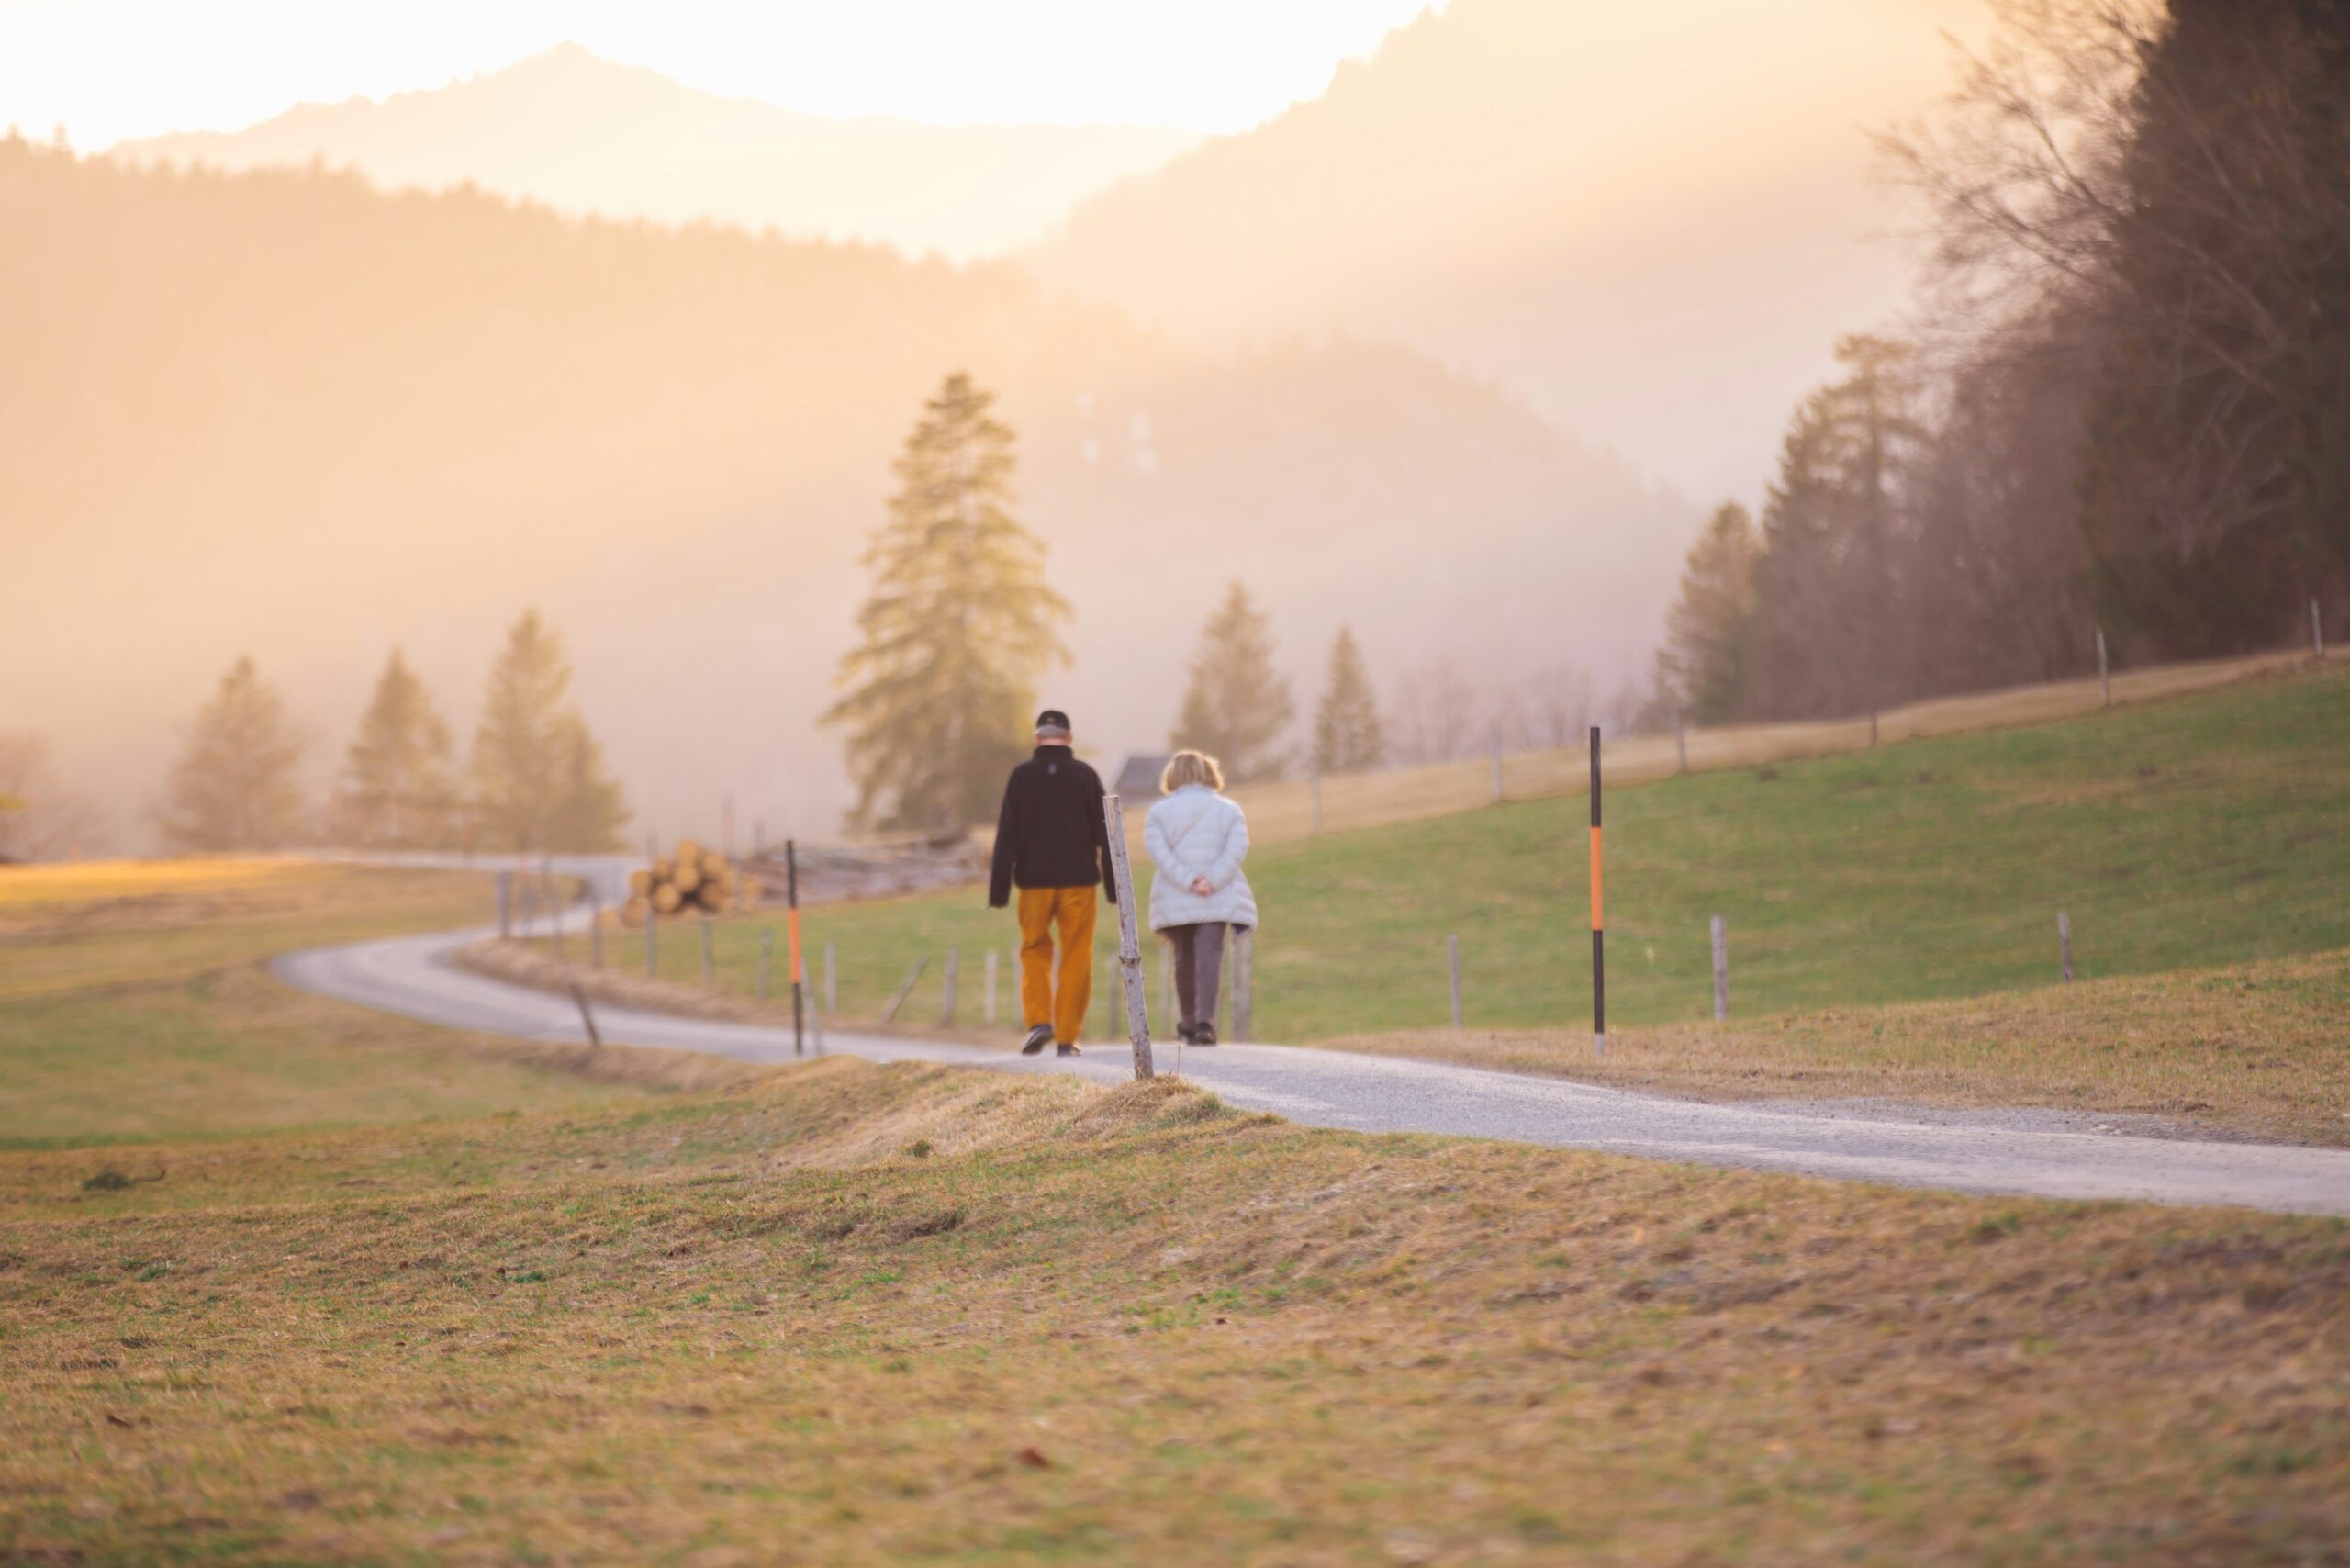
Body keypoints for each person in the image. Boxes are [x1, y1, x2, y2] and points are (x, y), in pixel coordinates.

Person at [989, 709, 1116, 1057]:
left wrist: (999, 888)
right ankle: (1066, 1038)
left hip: (1034, 884)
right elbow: (1107, 833)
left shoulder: (1021, 777)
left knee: (1034, 950)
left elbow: (1007, 833)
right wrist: (1114, 887)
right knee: (1076, 956)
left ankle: (1039, 1021)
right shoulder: (1086, 776)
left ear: (1037, 738)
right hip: (1078, 883)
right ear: (1069, 738)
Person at [1143, 749, 1256, 1046]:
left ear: (1173, 775)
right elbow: (1236, 850)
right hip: (1216, 897)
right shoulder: (1229, 809)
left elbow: (1159, 853)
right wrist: (1210, 881)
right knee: (1210, 956)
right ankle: (1206, 1022)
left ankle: (1189, 1022)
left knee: (1184, 958)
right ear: (1209, 773)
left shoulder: (1158, 812)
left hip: (1175, 894)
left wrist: (1188, 880)